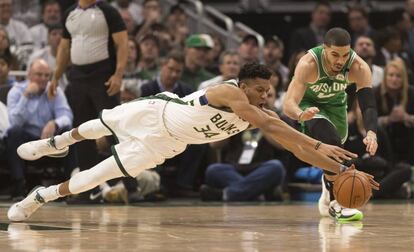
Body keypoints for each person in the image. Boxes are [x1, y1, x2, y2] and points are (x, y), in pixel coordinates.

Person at [7, 63, 379, 222]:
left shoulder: (258, 107)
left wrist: (344, 168)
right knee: (93, 127)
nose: (267, 95)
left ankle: (40, 197)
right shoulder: (229, 92)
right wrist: (318, 147)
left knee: (92, 178)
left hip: (167, 143)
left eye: (270, 90)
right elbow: (276, 128)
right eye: (261, 89)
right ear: (244, 84)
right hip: (157, 112)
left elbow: (292, 143)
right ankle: (55, 141)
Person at [283, 28, 379, 221]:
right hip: (308, 106)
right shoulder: (308, 63)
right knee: (332, 143)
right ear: (324, 49)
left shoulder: (359, 67)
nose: (340, 61)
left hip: (336, 105)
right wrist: (301, 114)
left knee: (337, 152)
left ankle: (328, 186)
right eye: (335, 54)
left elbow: (368, 105)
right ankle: (337, 204)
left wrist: (371, 132)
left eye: (345, 55)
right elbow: (288, 104)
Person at [48, 0, 128, 203]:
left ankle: (128, 183)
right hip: (78, 77)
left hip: (103, 75)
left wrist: (118, 74)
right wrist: (56, 77)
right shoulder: (70, 13)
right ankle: (86, 190)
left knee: (112, 129)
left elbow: (122, 43)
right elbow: (64, 48)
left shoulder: (108, 12)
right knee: (82, 133)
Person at [6, 59, 73, 200]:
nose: (43, 79)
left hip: (49, 140)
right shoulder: (16, 91)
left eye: (46, 75)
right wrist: (26, 96)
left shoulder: (54, 89)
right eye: (39, 74)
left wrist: (54, 123)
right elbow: (15, 122)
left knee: (67, 130)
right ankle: (19, 186)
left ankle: (71, 186)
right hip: (27, 140)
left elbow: (67, 116)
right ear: (29, 74)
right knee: (14, 133)